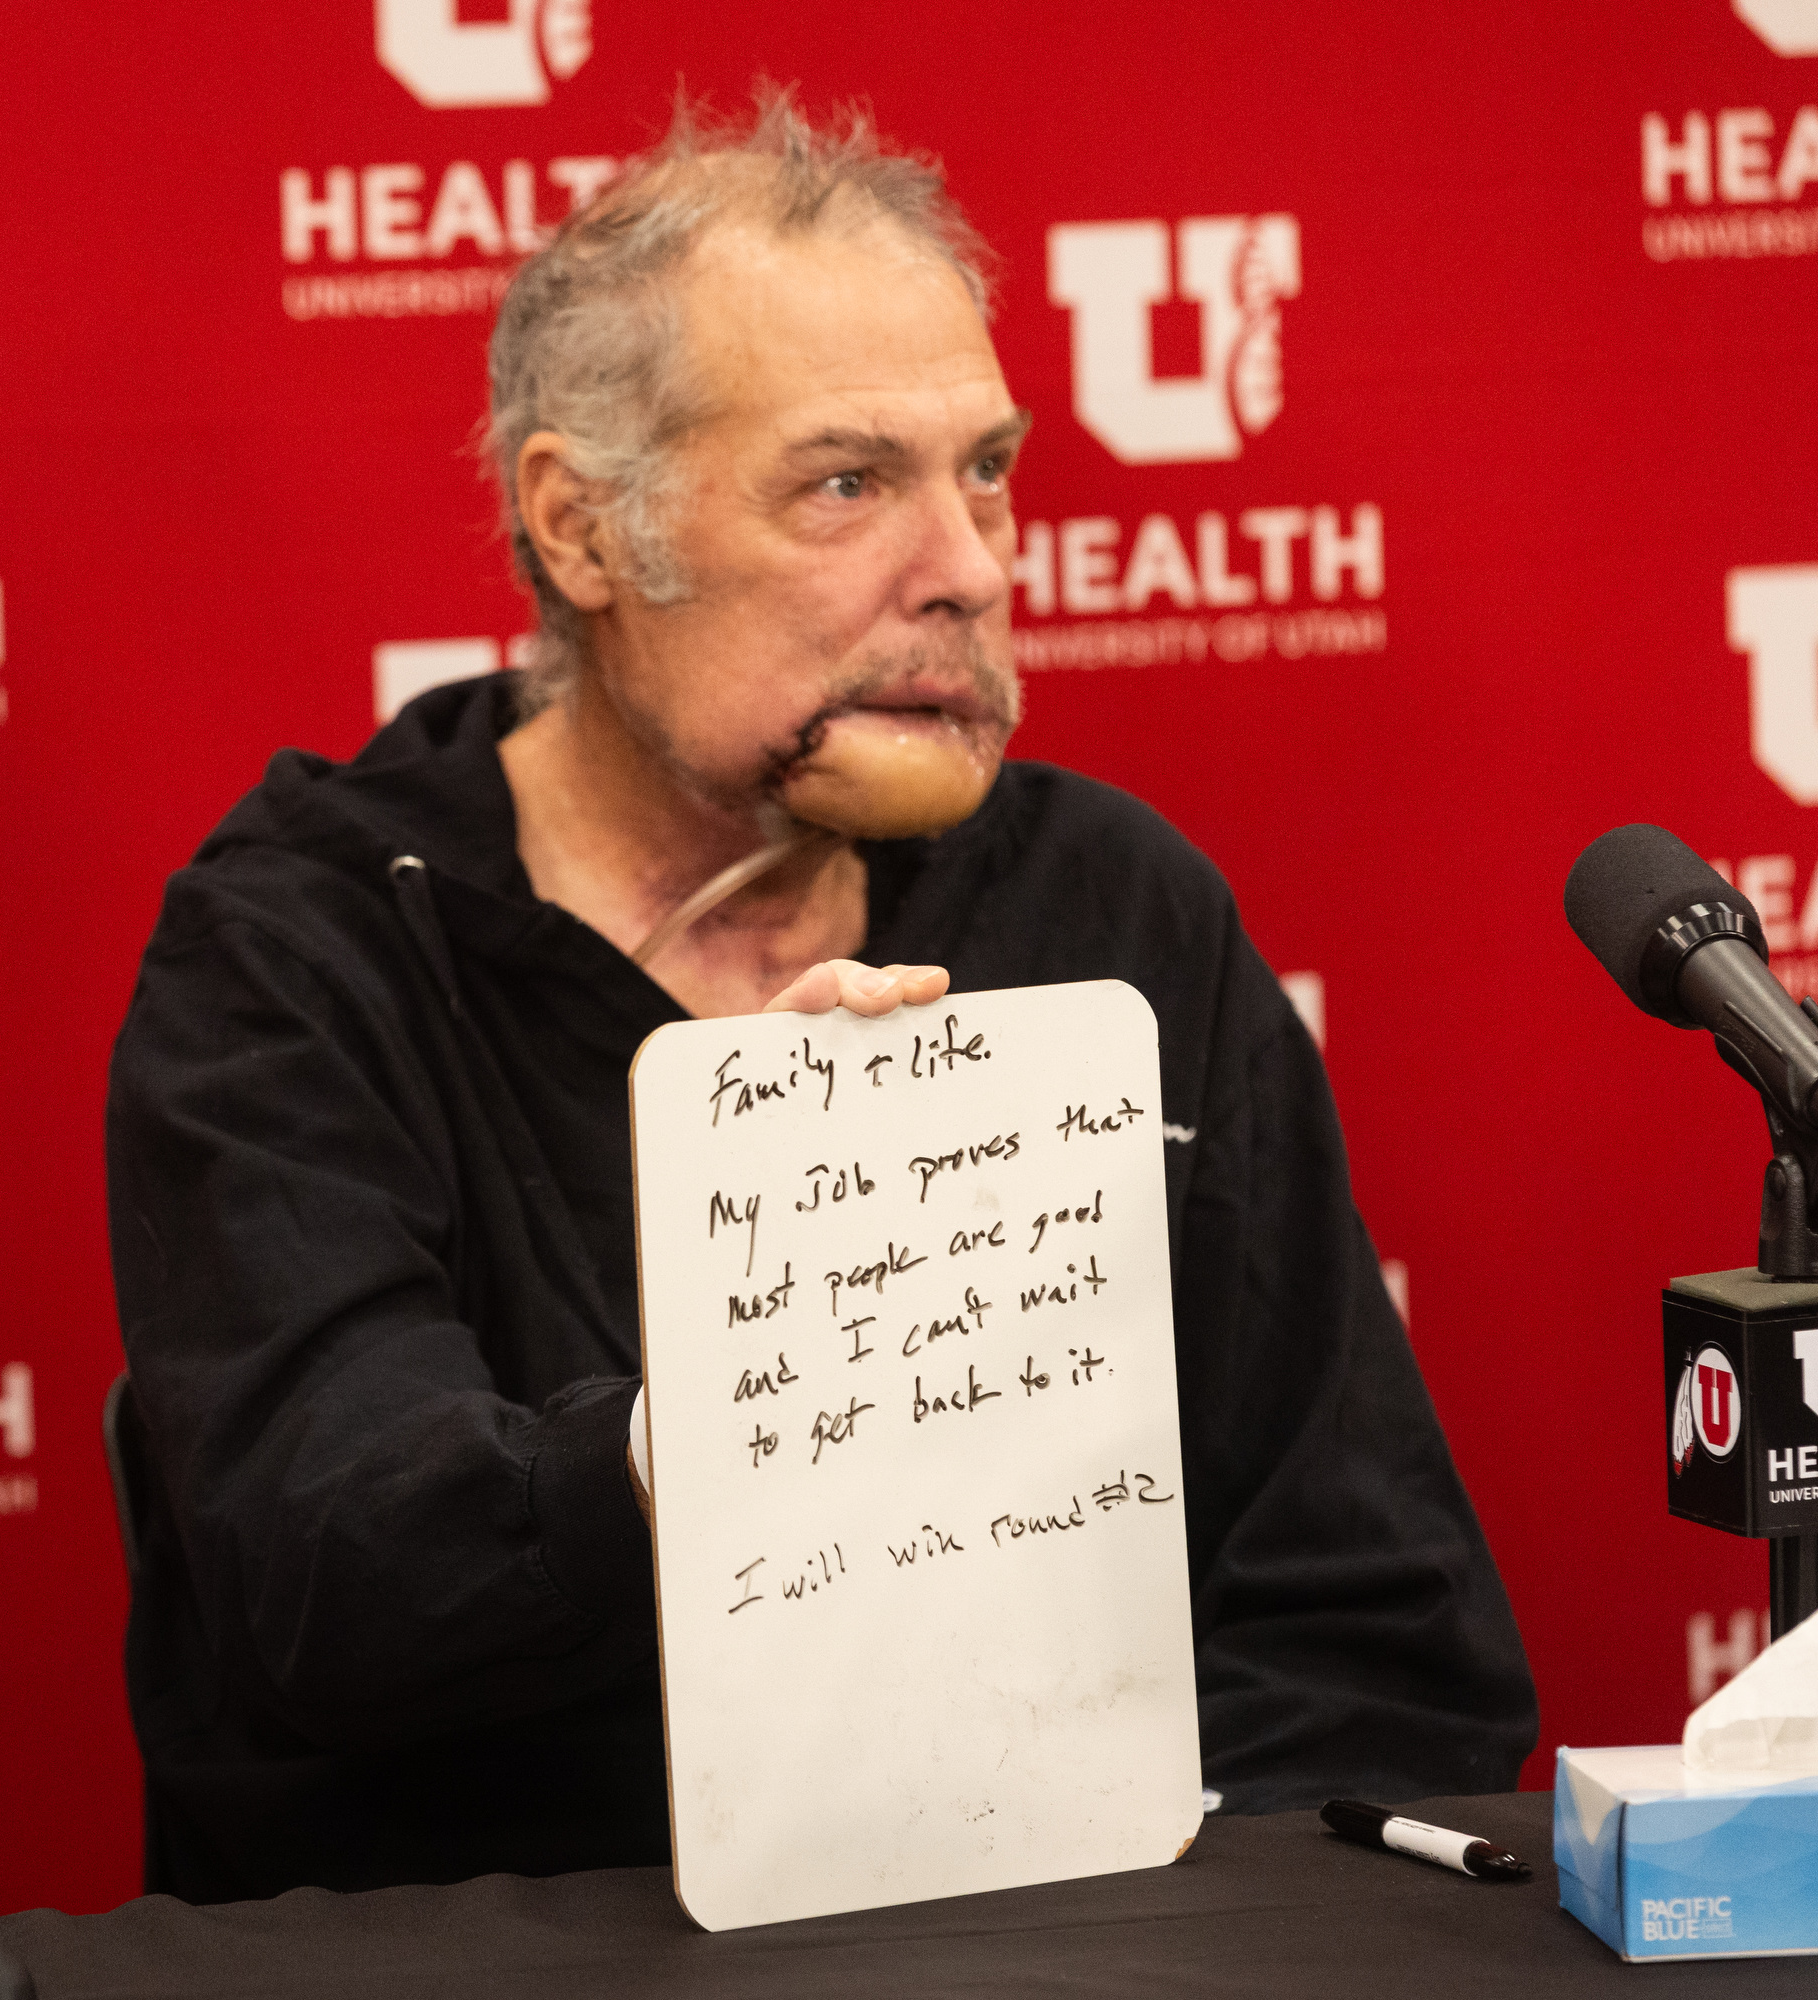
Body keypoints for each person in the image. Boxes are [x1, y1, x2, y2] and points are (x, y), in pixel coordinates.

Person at [104, 95, 1536, 1903]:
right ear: (584, 531)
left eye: (989, 468)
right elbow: (329, 1584)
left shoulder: (1110, 908)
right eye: (848, 484)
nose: (974, 570)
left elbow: (1369, 1632)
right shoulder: (308, 949)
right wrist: (744, 1394)